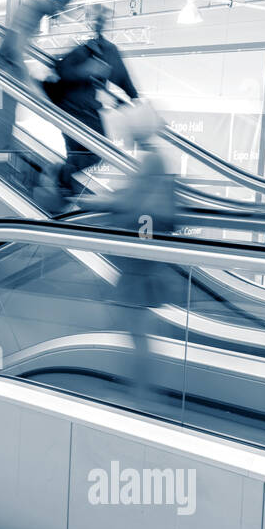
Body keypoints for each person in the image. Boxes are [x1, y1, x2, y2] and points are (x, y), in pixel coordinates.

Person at [79, 107, 180, 405]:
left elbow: (131, 199)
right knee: (132, 324)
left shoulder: (153, 159)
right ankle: (139, 388)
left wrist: (93, 201)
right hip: (142, 256)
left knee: (135, 327)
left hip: (140, 258)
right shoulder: (156, 158)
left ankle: (142, 392)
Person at [44, 3, 138, 199]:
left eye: (103, 20)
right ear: (90, 23)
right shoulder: (81, 50)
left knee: (90, 153)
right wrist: (85, 70)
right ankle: (63, 182)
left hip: (87, 110)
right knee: (92, 151)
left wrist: (134, 97)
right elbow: (61, 71)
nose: (99, 23)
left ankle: (63, 183)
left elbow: (122, 76)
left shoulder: (109, 50)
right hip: (72, 108)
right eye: (96, 19)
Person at [0, 0, 73, 154]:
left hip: (4, 68)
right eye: (59, 7)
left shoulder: (35, 11)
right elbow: (14, 47)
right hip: (4, 70)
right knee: (5, 120)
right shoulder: (32, 9)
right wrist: (28, 81)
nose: (57, 13)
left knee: (5, 119)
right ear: (52, 0)